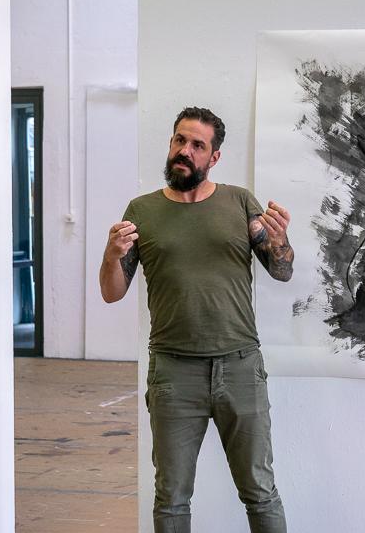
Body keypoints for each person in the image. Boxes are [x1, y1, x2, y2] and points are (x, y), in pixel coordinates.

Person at [100, 106, 293, 533]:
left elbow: (281, 271)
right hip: (173, 371)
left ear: (214, 156)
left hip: (240, 366)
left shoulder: (240, 202)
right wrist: (112, 256)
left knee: (260, 492)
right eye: (180, 140)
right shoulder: (141, 210)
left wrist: (280, 242)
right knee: (171, 499)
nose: (185, 151)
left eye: (197, 145)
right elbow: (112, 292)